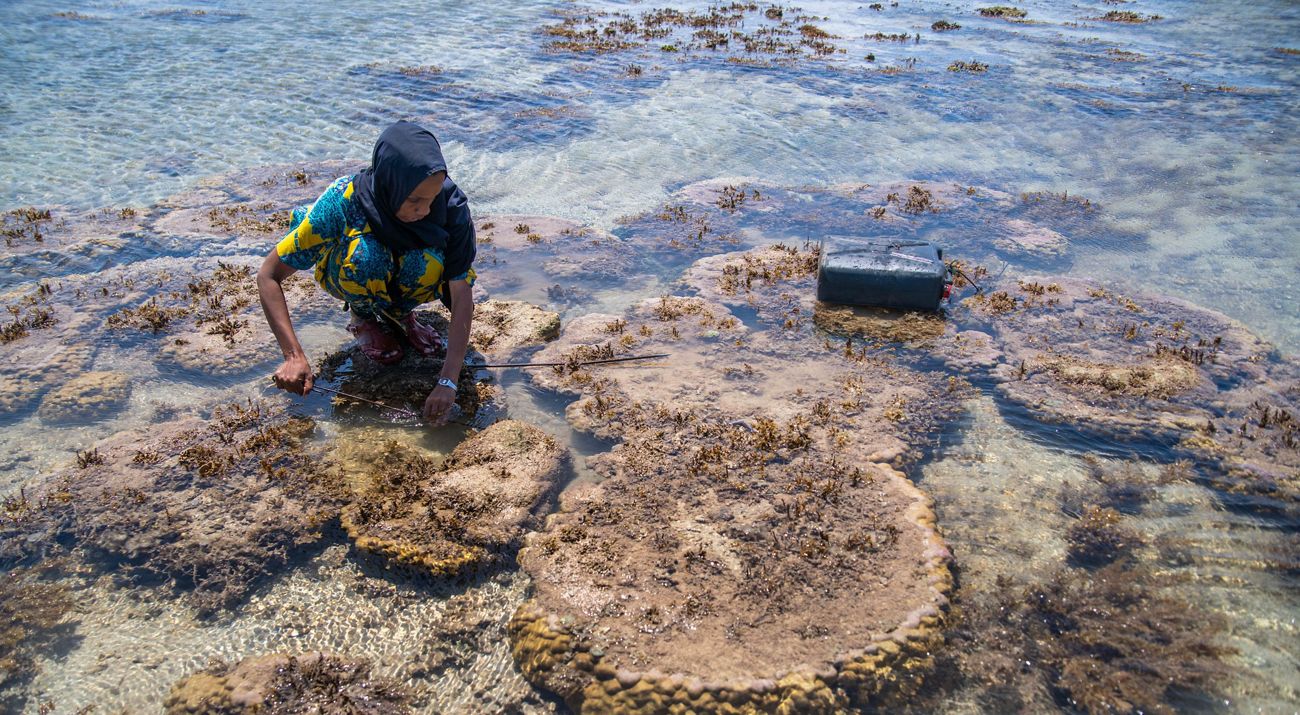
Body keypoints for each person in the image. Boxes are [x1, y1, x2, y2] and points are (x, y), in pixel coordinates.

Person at [257, 120, 476, 425]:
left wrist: (448, 380)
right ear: (390, 183)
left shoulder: (452, 207)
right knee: (367, 257)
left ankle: (402, 315)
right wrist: (293, 356)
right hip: (347, 273)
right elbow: (268, 275)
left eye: (432, 197)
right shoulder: (342, 202)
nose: (425, 210)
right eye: (414, 200)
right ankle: (362, 315)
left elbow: (461, 292)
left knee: (428, 260)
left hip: (408, 286)